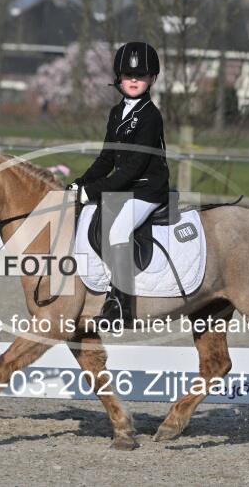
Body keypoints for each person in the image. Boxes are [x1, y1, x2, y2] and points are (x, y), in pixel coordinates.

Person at [67, 41, 170, 324]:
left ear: (152, 78)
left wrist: (93, 190)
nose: (133, 80)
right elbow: (106, 158)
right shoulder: (116, 112)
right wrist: (80, 183)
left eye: (140, 75)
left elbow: (134, 166)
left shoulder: (151, 116)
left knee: (118, 230)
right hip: (126, 187)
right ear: (119, 78)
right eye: (127, 75)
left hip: (147, 189)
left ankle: (121, 306)